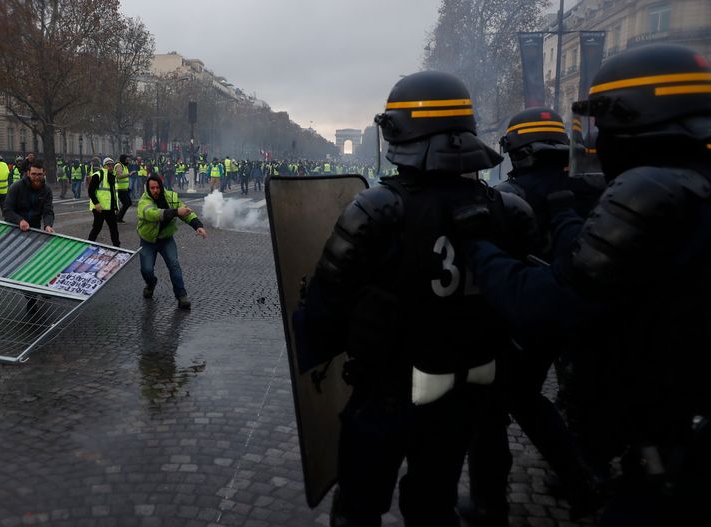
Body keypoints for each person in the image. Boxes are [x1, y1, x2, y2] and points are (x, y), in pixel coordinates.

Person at [464, 43, 711, 527]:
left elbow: (550, 300)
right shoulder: (664, 185)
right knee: (531, 402)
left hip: (655, 423)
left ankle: (498, 501)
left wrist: (478, 248)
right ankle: (580, 478)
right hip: (667, 407)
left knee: (498, 406)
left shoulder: (647, 189)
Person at [302, 72, 538, 527]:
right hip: (463, 390)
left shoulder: (377, 208)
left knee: (358, 508)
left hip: (386, 391)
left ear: (397, 131)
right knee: (434, 503)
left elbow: (323, 306)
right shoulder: (509, 209)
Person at [461, 107, 604, 525]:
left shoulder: (506, 197)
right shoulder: (592, 189)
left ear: (517, 152)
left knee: (488, 413)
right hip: (570, 325)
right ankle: (581, 482)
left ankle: (490, 504)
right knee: (528, 401)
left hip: (517, 321)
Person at [137, 173, 206, 310]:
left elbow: (186, 212)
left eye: (157, 187)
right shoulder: (144, 200)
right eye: (152, 188)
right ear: (148, 189)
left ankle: (182, 296)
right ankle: (151, 284)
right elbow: (153, 214)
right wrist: (176, 212)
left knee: (174, 265)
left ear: (162, 187)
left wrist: (198, 225)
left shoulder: (171, 196)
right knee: (147, 270)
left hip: (166, 239)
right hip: (148, 241)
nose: (155, 190)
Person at [3, 159, 55, 233]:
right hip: (14, 226)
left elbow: (48, 211)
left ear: (44, 173)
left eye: (40, 174)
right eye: (33, 174)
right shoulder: (16, 187)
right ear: (28, 173)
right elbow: (7, 210)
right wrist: (20, 221)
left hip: (34, 228)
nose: (37, 177)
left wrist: (48, 225)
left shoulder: (47, 191)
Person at [88, 157, 120, 246]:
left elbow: (113, 194)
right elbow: (91, 191)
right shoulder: (98, 175)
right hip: (100, 208)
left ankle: (117, 247)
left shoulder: (113, 176)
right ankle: (89, 244)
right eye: (108, 165)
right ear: (104, 166)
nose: (110, 166)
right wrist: (96, 203)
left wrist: (116, 206)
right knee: (97, 228)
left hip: (110, 208)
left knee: (114, 228)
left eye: (112, 165)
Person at [114, 154, 132, 223]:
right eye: (127, 160)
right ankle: (118, 218)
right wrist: (129, 174)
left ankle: (117, 216)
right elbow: (119, 176)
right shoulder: (119, 165)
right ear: (123, 160)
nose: (128, 161)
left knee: (128, 203)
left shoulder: (124, 166)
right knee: (126, 203)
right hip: (119, 189)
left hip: (124, 189)